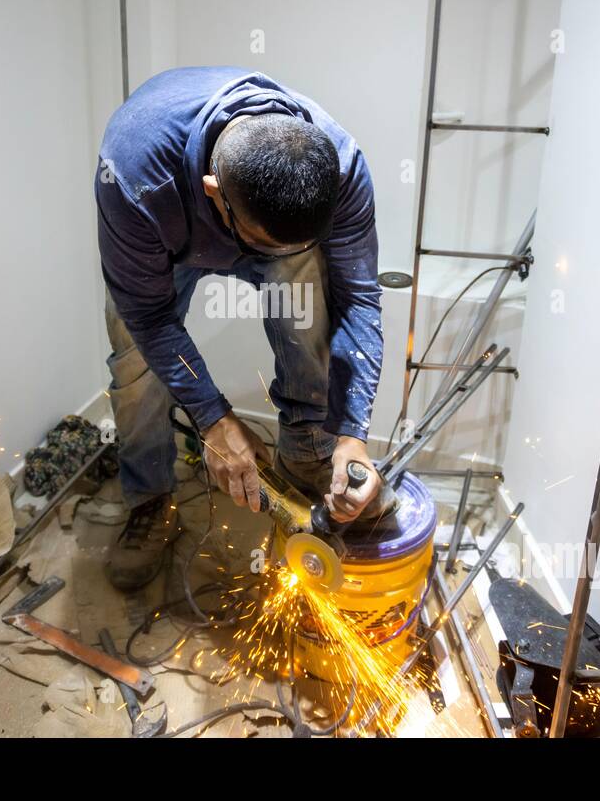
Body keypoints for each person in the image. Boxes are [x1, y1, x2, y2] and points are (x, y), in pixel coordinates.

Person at [95, 66, 384, 590]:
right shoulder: (135, 179)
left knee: (305, 311)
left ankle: (311, 461)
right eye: (264, 244)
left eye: (293, 243)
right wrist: (212, 418)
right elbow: (148, 316)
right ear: (213, 192)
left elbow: (359, 296)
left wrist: (353, 433)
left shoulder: (342, 167)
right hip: (166, 227)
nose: (270, 260)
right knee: (136, 364)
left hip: (246, 214)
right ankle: (150, 499)